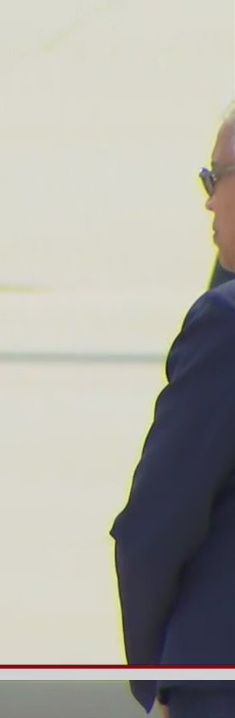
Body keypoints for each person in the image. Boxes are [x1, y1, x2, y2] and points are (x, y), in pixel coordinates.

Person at [111, 102, 235, 718]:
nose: (208, 203)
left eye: (217, 178)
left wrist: (159, 671)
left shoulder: (225, 327)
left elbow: (156, 527)